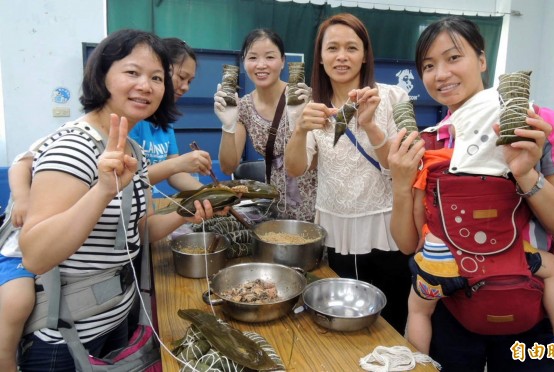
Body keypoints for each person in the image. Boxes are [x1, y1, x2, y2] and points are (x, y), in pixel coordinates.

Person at [388, 15, 554, 371]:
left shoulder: (538, 126)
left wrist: (526, 174)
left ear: (482, 60)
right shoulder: (430, 141)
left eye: (454, 57)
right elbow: (410, 245)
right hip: (453, 311)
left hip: (528, 313)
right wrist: (399, 183)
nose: (441, 74)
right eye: (428, 65)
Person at [17, 29, 219, 371]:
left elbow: (134, 233)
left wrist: (184, 215)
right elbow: (35, 255)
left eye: (156, 77)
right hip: (67, 337)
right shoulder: (74, 147)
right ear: (102, 75)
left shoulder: (131, 150)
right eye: (132, 72)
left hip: (116, 322)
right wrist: (101, 192)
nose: (146, 85)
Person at [284, 13, 412, 333]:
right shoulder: (308, 105)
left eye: (351, 48)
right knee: (335, 319)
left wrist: (370, 125)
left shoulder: (392, 97)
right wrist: (300, 129)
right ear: (321, 56)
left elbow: (402, 166)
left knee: (391, 320)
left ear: (365, 54)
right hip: (334, 228)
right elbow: (296, 168)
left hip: (385, 227)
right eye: (333, 48)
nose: (342, 56)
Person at [214, 28, 317, 222]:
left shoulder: (304, 98)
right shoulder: (243, 107)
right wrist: (227, 126)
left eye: (270, 57)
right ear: (244, 61)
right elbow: (228, 167)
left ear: (283, 61)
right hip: (277, 207)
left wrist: (300, 122)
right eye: (252, 58)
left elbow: (318, 159)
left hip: (316, 203)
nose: (261, 65)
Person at [130, 37, 212, 193]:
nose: (186, 87)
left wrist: (210, 194)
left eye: (190, 81)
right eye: (181, 77)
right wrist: (178, 163)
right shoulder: (133, 117)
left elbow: (175, 173)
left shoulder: (164, 121)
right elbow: (126, 180)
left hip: (146, 209)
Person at [0, 146, 38, 371]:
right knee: (18, 300)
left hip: (58, 257)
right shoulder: (63, 140)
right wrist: (23, 199)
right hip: (17, 256)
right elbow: (21, 162)